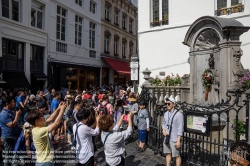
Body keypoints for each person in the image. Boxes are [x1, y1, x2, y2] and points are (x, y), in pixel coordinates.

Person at [0, 96, 22, 166]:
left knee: (13, 155)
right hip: (9, 137)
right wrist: (17, 115)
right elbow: (12, 125)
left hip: (14, 136)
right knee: (8, 155)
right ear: (7, 104)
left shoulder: (10, 112)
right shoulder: (3, 114)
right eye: (12, 102)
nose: (14, 103)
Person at [162, 97, 184, 166]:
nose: (167, 105)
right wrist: (163, 130)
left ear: (173, 104)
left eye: (169, 104)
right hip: (167, 137)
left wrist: (178, 140)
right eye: (166, 104)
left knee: (176, 156)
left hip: (174, 138)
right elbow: (163, 123)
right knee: (167, 153)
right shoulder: (166, 113)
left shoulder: (179, 115)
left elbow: (180, 128)